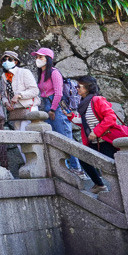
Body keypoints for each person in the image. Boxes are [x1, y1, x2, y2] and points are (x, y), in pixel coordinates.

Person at [73, 75, 128, 194]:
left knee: (112, 168)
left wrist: (96, 132)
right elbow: (85, 122)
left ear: (88, 87)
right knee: (83, 158)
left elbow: (110, 118)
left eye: (79, 86)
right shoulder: (84, 103)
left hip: (106, 141)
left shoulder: (97, 100)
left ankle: (124, 192)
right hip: (95, 141)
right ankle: (99, 184)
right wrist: (70, 116)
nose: (77, 89)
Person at [33, 47, 81, 175]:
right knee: (55, 138)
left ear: (48, 59)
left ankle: (76, 168)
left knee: (65, 136)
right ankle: (63, 167)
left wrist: (53, 109)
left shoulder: (54, 72)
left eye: (40, 57)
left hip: (57, 105)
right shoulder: (42, 74)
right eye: (37, 57)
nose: (38, 59)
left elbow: (58, 93)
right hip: (46, 104)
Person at [0, 50, 39, 163]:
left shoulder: (24, 72)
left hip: (28, 108)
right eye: (4, 60)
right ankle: (28, 164)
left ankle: (35, 163)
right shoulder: (4, 76)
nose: (6, 62)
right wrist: (6, 103)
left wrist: (19, 95)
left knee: (27, 138)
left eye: (10, 59)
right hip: (15, 111)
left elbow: (34, 90)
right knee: (19, 140)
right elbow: (3, 94)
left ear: (16, 62)